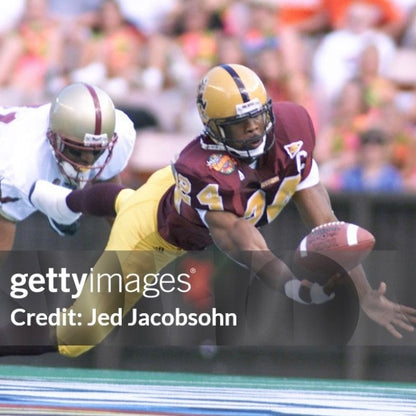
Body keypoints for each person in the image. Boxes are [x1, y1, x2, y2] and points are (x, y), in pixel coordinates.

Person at [25, 64, 416, 358]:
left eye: (259, 118)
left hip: (174, 192)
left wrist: (363, 292)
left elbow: (327, 224)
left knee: (129, 198)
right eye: (239, 126)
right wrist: (295, 288)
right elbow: (246, 242)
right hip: (155, 235)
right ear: (213, 129)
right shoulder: (205, 169)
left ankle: (62, 201)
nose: (254, 132)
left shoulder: (292, 126)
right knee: (77, 337)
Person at [0, 81, 136, 252]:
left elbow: (109, 194)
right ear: (53, 138)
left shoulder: (120, 132)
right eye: (77, 151)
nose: (87, 161)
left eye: (96, 152)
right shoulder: (22, 164)